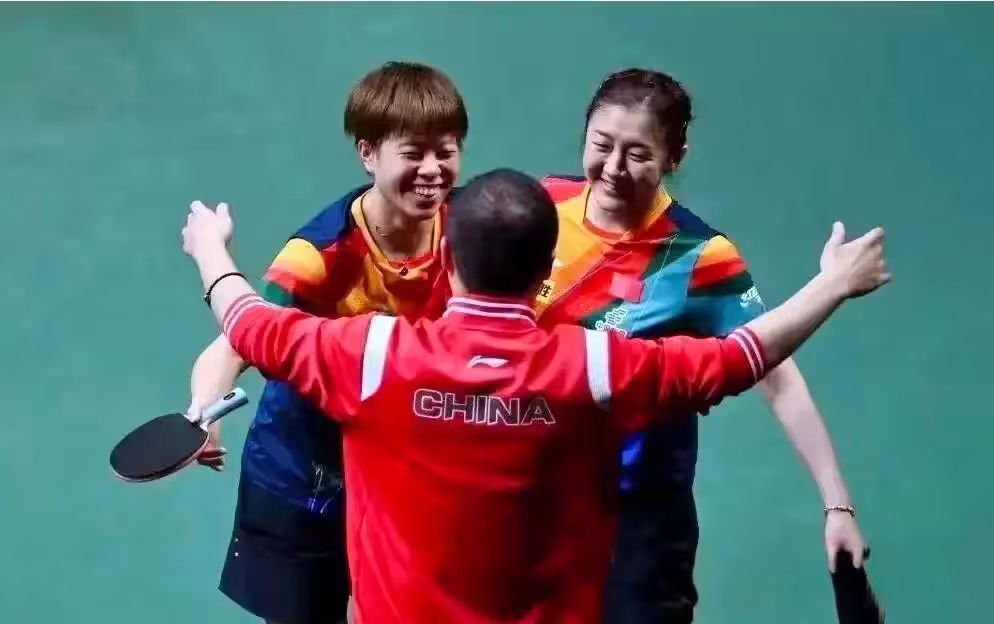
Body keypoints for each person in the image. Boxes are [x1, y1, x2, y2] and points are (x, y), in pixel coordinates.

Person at [179, 168, 890, 624]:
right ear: (548, 265)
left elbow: (246, 321)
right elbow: (740, 359)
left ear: (448, 258)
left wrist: (211, 247)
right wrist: (832, 285)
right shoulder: (597, 369)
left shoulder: (371, 356)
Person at [537, 68, 870, 623]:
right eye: (602, 144)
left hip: (638, 520)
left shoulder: (699, 255)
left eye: (638, 154)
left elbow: (776, 373)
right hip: (533, 499)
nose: (614, 168)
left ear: (675, 157)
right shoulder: (540, 206)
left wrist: (837, 504)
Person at [184, 62, 467, 624]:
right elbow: (237, 341)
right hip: (305, 469)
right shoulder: (318, 257)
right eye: (413, 153)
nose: (433, 170)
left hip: (403, 464)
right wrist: (204, 414)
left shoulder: (468, 228)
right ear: (368, 153)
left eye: (447, 151)